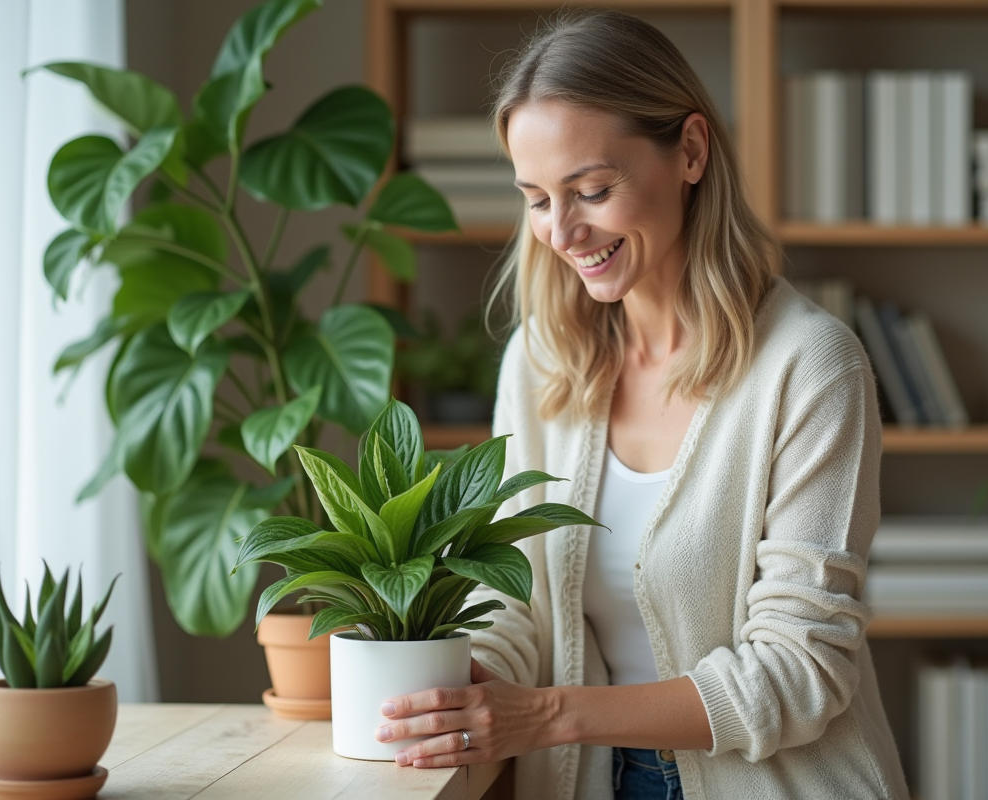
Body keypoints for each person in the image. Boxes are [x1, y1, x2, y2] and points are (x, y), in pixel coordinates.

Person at [375, 10, 910, 800]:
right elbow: (513, 595)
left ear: (690, 151)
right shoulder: (541, 360)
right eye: (536, 198)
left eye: (592, 189)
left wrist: (550, 715)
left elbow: (799, 671)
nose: (562, 231)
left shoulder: (810, 365)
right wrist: (466, 679)